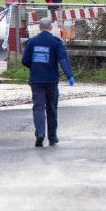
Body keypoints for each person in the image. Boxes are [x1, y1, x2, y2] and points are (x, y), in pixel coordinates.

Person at [21, 17, 75, 147]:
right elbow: (63, 60)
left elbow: (24, 60)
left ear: (39, 28)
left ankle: (40, 133)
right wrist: (69, 76)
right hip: (51, 81)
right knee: (51, 108)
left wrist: (34, 66)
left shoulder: (32, 42)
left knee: (38, 107)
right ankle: (52, 137)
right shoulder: (56, 42)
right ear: (51, 28)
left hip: (36, 80)